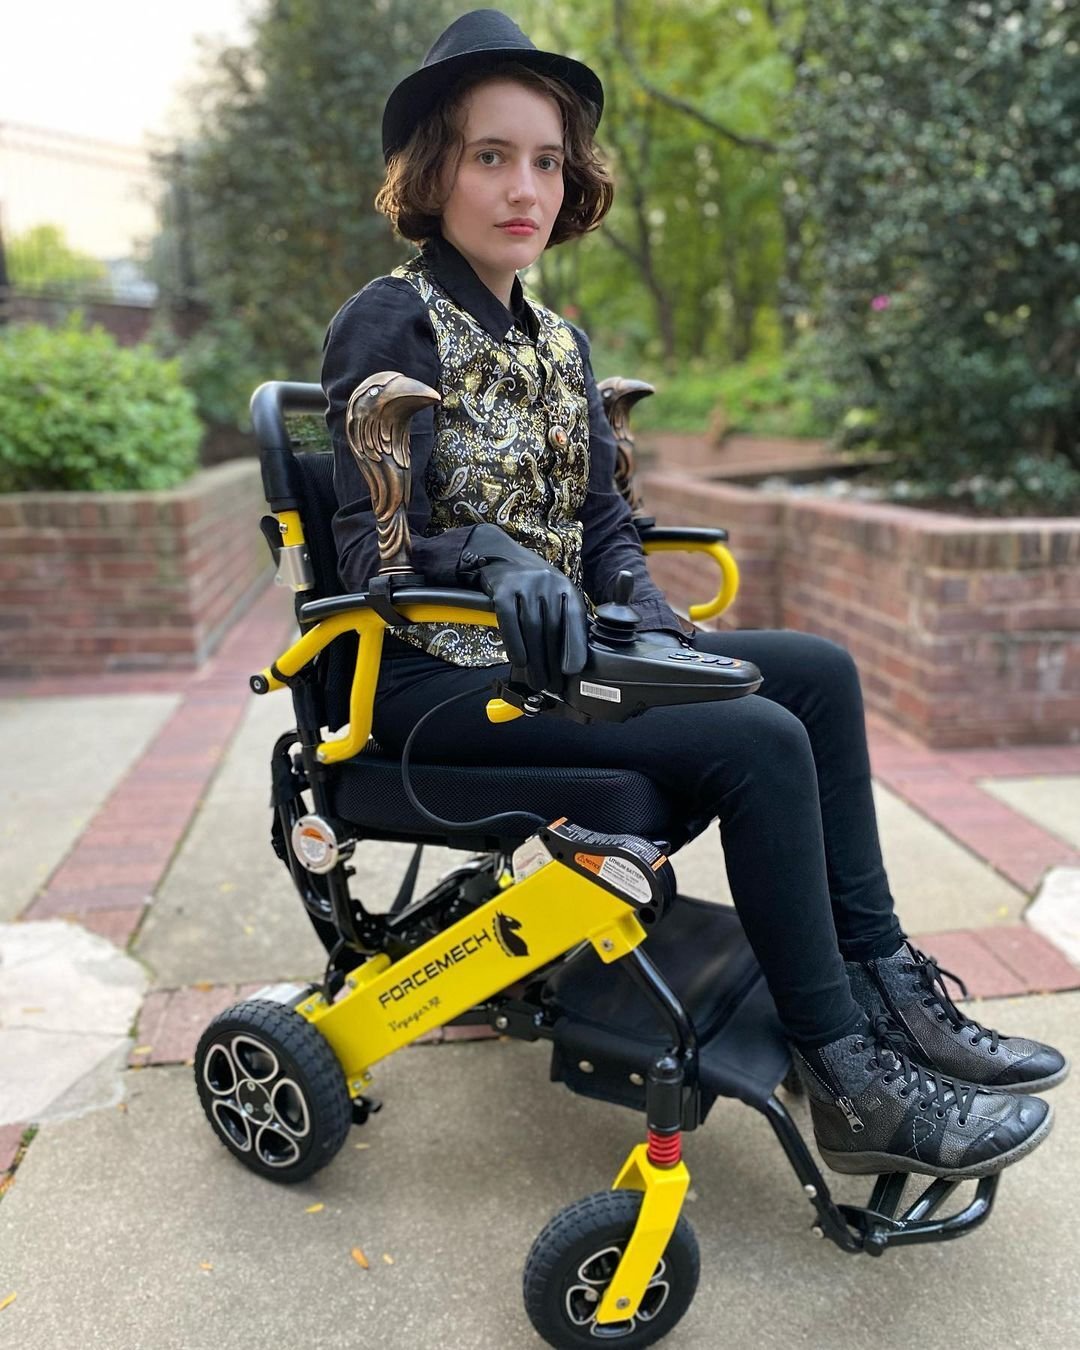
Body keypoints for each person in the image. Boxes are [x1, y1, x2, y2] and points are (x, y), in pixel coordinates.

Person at [321, 9, 1066, 1178]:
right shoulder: (392, 317)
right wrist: (495, 559)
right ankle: (850, 1082)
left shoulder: (559, 344)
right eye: (491, 155)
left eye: (548, 160)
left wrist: (637, 603)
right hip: (430, 680)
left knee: (818, 671)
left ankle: (892, 999)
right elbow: (379, 553)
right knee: (763, 740)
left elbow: (608, 525)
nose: (527, 187)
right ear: (432, 168)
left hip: (564, 660)